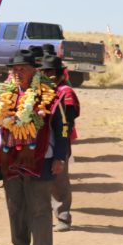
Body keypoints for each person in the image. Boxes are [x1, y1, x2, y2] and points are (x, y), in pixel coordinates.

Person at [0, 50, 70, 245]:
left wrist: (60, 156)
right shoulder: (5, 94)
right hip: (10, 157)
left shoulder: (49, 94)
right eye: (14, 69)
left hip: (40, 158)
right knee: (15, 206)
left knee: (39, 207)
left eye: (22, 68)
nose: (17, 72)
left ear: (35, 70)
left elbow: (62, 128)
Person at [39, 55, 80, 232]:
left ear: (59, 73)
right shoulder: (36, 91)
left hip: (59, 141)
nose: (48, 75)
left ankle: (63, 217)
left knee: (59, 181)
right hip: (38, 143)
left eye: (51, 72)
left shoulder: (65, 92)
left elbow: (68, 122)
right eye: (44, 72)